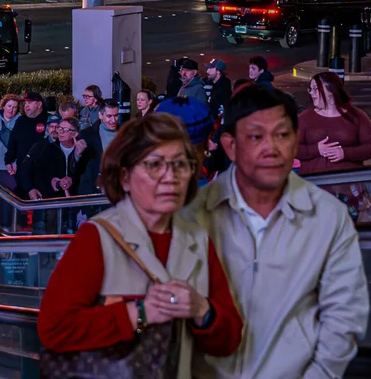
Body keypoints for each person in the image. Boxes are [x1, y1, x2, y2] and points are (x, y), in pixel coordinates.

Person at [36, 114, 243, 375]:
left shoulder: (198, 239)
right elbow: (55, 329)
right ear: (124, 177)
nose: (171, 177)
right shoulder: (98, 236)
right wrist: (140, 313)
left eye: (181, 164)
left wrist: (202, 310)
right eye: (155, 165)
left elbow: (230, 339)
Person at [185, 82, 367, 378]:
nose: (271, 148)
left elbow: (344, 314)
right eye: (256, 136)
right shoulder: (195, 216)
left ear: (295, 142)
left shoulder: (327, 216)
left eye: (282, 135)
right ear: (230, 146)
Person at [296, 72, 371, 175]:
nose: (311, 93)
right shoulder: (305, 118)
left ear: (330, 90)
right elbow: (290, 148)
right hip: (315, 184)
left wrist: (345, 153)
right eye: (310, 89)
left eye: (315, 89)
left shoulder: (356, 116)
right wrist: (316, 149)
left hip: (350, 183)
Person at [18, 118, 84, 201]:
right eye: (60, 128)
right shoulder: (48, 149)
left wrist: (72, 179)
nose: (60, 131)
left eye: (66, 129)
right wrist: (51, 181)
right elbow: (39, 174)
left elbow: (85, 174)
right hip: (53, 200)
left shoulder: (83, 150)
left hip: (79, 200)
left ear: (74, 134)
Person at [74, 99, 120, 195]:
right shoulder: (87, 135)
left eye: (116, 115)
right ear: (100, 115)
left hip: (118, 192)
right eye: (109, 116)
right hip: (93, 193)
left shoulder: (126, 133)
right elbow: (77, 169)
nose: (113, 120)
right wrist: (77, 154)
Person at [4, 92, 49, 181]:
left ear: (39, 104)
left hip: (44, 172)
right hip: (22, 171)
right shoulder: (21, 121)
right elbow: (13, 142)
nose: (26, 106)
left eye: (29, 103)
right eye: (25, 103)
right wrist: (8, 160)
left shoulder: (49, 121)